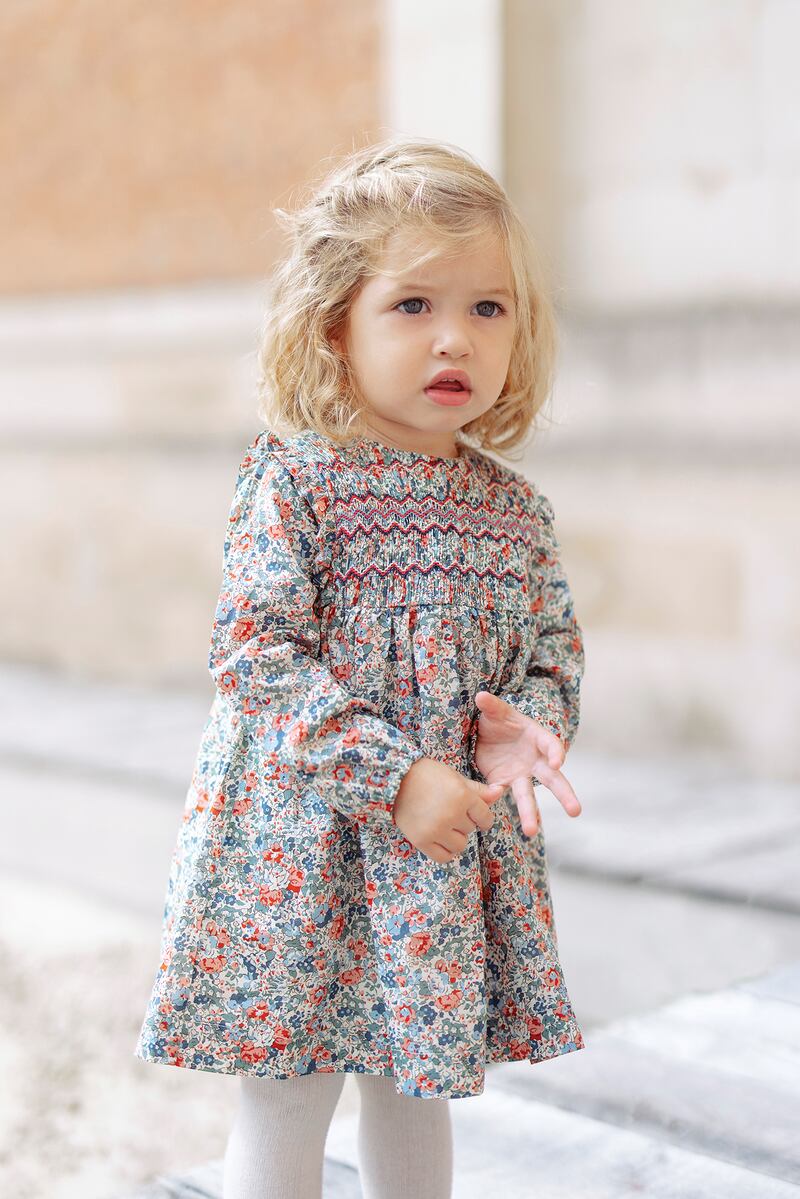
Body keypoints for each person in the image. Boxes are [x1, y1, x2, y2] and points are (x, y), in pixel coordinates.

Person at [134, 135, 587, 1199]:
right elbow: (256, 650)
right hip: (304, 842)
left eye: (487, 307)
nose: (454, 336)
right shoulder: (298, 485)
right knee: (291, 1086)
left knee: (413, 1079)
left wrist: (521, 723)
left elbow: (551, 647)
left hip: (433, 860)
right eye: (412, 304)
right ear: (335, 325)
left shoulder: (513, 513)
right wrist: (394, 776)